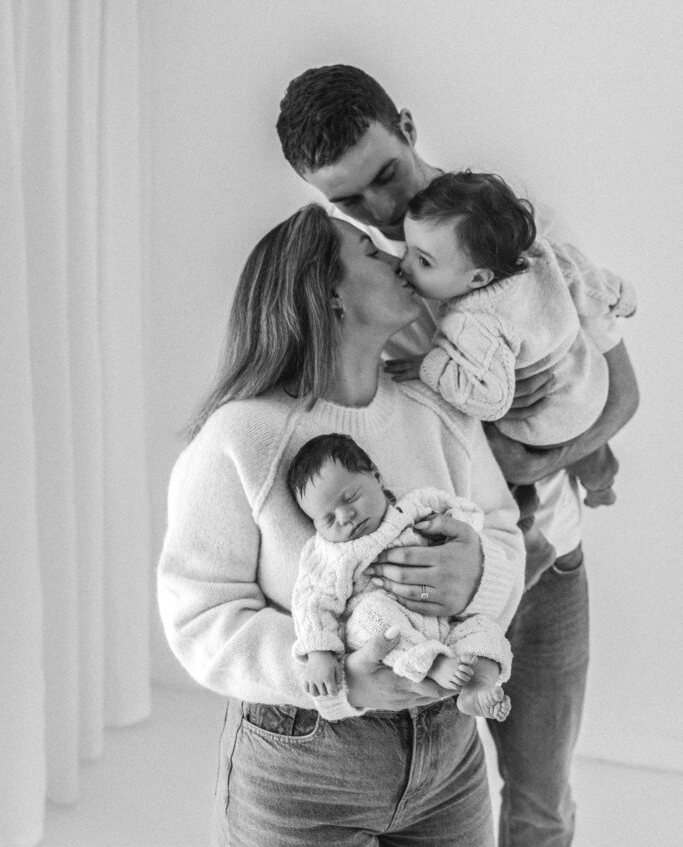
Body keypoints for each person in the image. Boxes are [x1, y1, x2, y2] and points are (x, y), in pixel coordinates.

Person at [276, 64, 640, 847]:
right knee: (442, 811)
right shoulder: (364, 282)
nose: (381, 211)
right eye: (348, 201)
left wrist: (547, 456)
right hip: (422, 593)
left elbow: (616, 390)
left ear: (407, 127)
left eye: (386, 176)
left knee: (540, 800)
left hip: (547, 561)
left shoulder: (507, 225)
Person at [157, 204, 524, 847]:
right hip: (306, 761)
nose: (396, 255)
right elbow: (200, 615)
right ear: (329, 294)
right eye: (370, 251)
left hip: (449, 742)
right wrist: (337, 679)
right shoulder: (240, 437)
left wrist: (478, 575)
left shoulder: (437, 410)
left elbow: (502, 530)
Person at [395, 170, 635, 511]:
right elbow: (584, 278)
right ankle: (602, 485)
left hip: (546, 421)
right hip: (590, 383)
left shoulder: (474, 322)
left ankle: (529, 525)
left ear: (479, 278)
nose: (404, 265)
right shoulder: (539, 256)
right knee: (593, 456)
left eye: (422, 261)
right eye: (407, 250)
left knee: (505, 485)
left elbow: (489, 399)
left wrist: (430, 366)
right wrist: (620, 297)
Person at [288, 432, 512, 720]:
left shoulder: (415, 507)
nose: (345, 517)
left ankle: (476, 687)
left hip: (445, 622)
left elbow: (466, 513)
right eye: (328, 519)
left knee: (483, 628)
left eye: (351, 497)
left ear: (377, 477)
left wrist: (461, 530)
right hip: (389, 636)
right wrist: (319, 653)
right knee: (370, 615)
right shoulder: (332, 554)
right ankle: (434, 663)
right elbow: (312, 601)